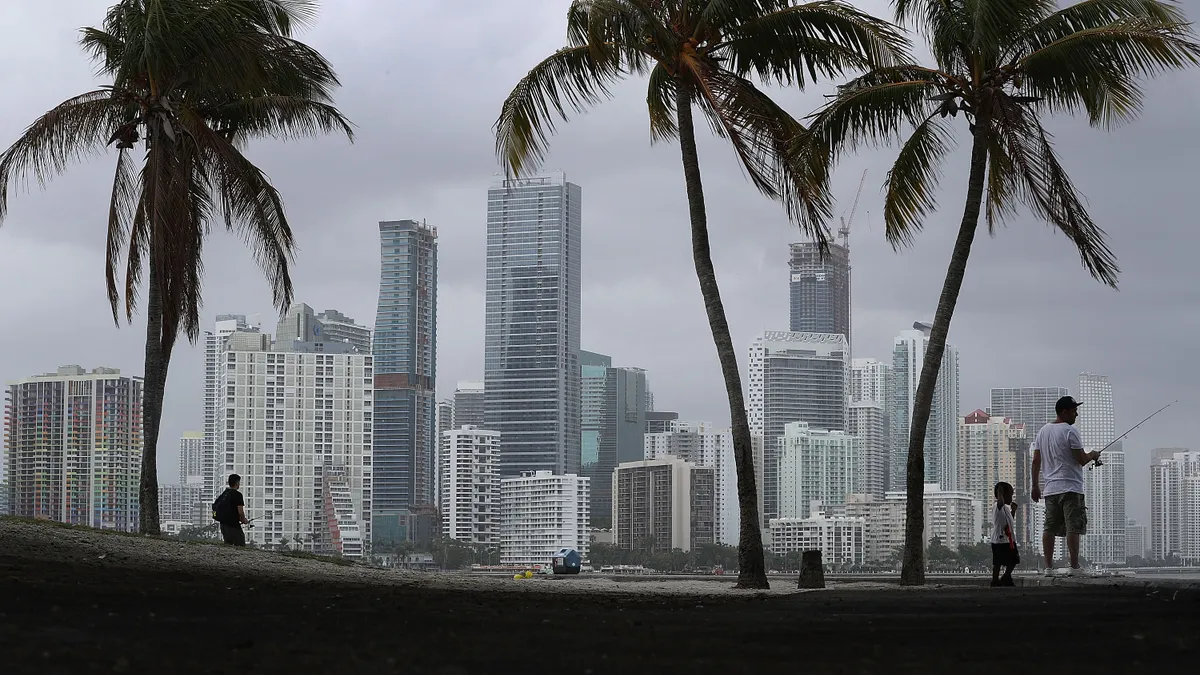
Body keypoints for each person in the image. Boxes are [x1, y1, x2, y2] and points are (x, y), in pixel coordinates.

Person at [1030, 396, 1101, 576]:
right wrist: (1093, 454)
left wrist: (1035, 486)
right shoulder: (1071, 431)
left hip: (1050, 489)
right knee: (1073, 527)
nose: (1076, 413)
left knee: (1049, 527)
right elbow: (1081, 459)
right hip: (1071, 488)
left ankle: (1048, 568)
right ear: (1064, 411)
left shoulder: (1043, 431)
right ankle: (1074, 567)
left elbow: (1036, 461)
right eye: (1073, 410)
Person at [990, 481, 1019, 587]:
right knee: (997, 562)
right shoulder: (997, 506)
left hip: (1009, 539)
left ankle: (1006, 576)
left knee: (1013, 560)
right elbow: (1000, 502)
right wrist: (1000, 492)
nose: (1011, 497)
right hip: (999, 539)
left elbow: (1009, 521)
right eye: (1010, 495)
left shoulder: (1006, 509)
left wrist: (1013, 511)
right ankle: (995, 580)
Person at [214, 473, 249, 546]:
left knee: (228, 544)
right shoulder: (238, 495)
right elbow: (240, 511)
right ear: (237, 483)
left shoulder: (225, 493)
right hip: (233, 525)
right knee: (240, 544)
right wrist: (243, 519)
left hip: (223, 524)